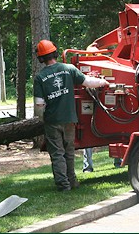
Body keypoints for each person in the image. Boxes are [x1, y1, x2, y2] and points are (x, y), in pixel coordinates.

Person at [33, 39, 109, 191]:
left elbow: (39, 105)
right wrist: (103, 82)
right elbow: (88, 82)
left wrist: (43, 119)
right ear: (55, 52)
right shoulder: (69, 69)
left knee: (57, 154)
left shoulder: (40, 78)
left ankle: (63, 185)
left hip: (52, 121)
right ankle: (73, 181)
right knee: (69, 151)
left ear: (41, 58)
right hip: (70, 119)